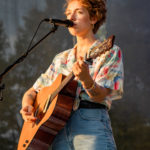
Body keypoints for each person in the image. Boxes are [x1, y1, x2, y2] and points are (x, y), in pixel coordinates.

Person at [20, 0, 124, 149]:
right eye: (69, 13)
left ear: (93, 18)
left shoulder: (109, 51)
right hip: (57, 130)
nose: (71, 17)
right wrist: (27, 105)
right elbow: (32, 91)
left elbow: (102, 95)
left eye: (79, 12)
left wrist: (86, 79)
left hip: (90, 126)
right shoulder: (61, 58)